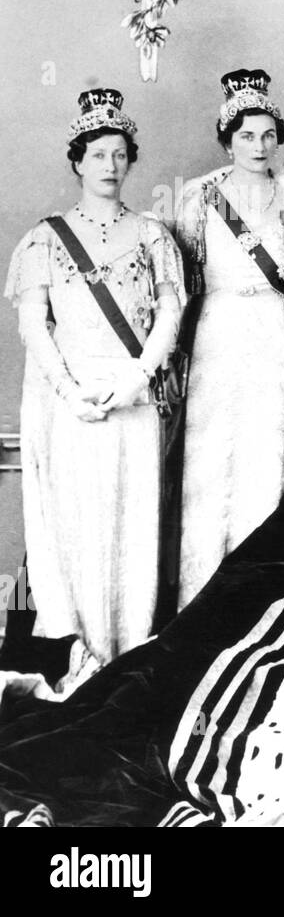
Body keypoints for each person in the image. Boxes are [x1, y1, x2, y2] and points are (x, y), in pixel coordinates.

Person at [4, 89, 184, 674]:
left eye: (119, 154)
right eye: (98, 154)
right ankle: (78, 652)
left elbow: (170, 315)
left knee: (133, 522)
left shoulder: (152, 234)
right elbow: (34, 325)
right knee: (77, 522)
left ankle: (127, 652)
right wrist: (68, 390)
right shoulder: (44, 238)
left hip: (133, 397)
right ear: (78, 162)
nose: (110, 165)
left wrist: (136, 379)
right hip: (73, 400)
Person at [173, 70, 284, 608]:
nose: (258, 146)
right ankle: (198, 595)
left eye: (267, 135)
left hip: (276, 338)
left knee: (268, 461)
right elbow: (180, 288)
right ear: (227, 141)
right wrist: (178, 362)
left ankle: (258, 601)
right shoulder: (199, 197)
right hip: (216, 335)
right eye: (246, 136)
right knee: (210, 463)